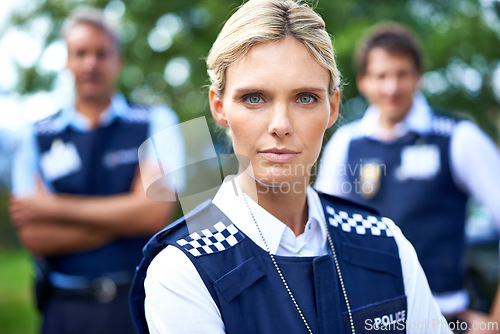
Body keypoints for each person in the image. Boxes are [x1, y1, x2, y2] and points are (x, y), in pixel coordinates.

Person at [129, 1, 451, 333]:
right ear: (219, 107)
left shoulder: (386, 242)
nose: (280, 125)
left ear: (333, 107)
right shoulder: (182, 268)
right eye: (254, 98)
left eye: (305, 98)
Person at [315, 22, 500, 331]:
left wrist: (494, 323)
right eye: (381, 76)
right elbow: (321, 237)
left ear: (419, 77)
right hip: (365, 320)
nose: (392, 87)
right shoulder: (346, 144)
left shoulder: (457, 137)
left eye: (401, 74)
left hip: (443, 320)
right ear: (363, 82)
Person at [9, 7, 184, 334]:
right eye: (81, 53)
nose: (91, 63)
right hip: (63, 310)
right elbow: (35, 236)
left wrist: (54, 208)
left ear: (118, 61)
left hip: (139, 304)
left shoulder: (155, 121)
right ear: (67, 60)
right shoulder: (33, 137)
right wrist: (128, 215)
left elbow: (155, 215)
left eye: (102, 53)